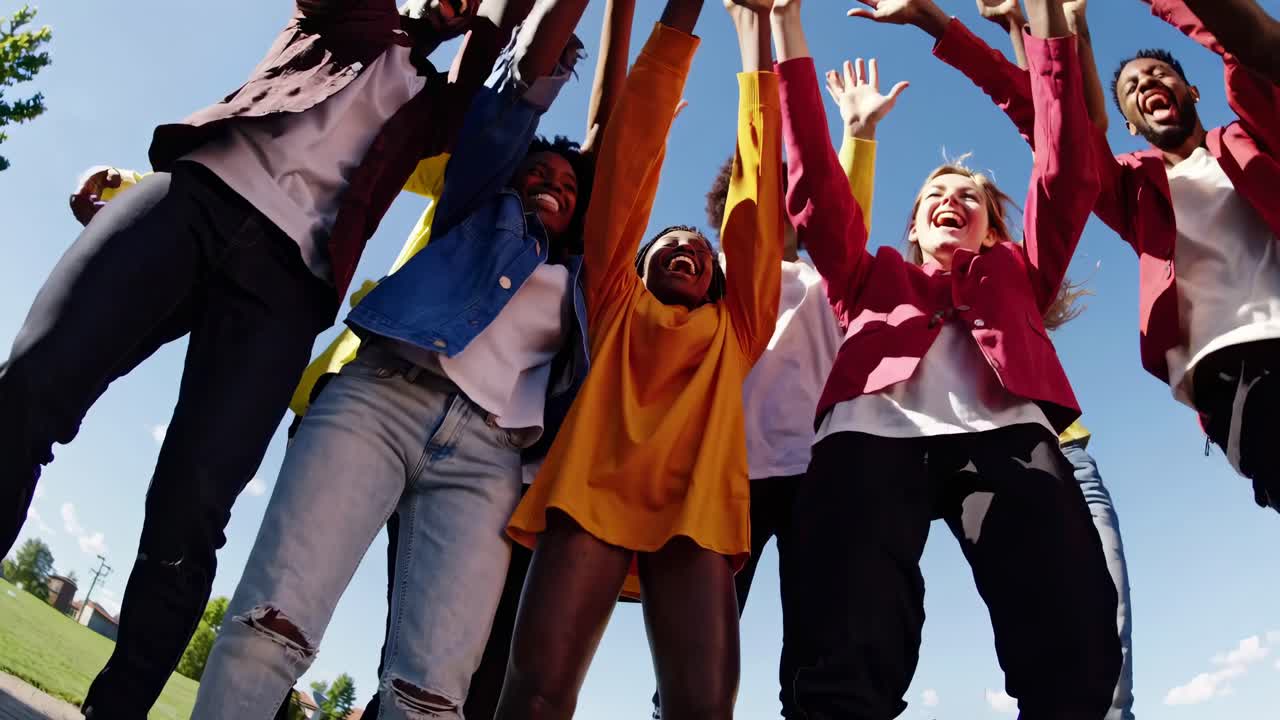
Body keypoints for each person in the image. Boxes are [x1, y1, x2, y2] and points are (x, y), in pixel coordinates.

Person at [0, 1, 536, 715]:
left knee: (190, 512)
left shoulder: (436, 106)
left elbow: (496, 53)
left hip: (285, 288)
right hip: (193, 202)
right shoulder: (344, 19)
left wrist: (485, 18)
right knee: (25, 394)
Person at [188, 1, 592, 716]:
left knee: (429, 694)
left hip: (490, 462)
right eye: (539, 171)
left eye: (569, 185)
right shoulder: (475, 203)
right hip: (381, 399)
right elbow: (523, 83)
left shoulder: (586, 283)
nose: (552, 185)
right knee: (270, 627)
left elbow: (619, 146)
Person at [774, 0, 1121, 717]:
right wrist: (785, 22)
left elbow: (1069, 172)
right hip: (866, 443)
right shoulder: (870, 277)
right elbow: (813, 193)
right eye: (936, 193)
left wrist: (1050, 22)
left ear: (996, 226)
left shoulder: (1019, 273)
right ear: (912, 224)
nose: (952, 199)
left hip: (1010, 442)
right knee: (843, 651)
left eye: (969, 197)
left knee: (1073, 641)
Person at [495, 1, 784, 717]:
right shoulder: (616, 296)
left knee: (702, 708)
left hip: (697, 511)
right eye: (669, 242)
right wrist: (683, 14)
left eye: (701, 246)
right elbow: (628, 164)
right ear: (637, 259)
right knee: (533, 696)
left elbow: (759, 191)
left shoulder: (737, 326)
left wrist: (757, 45)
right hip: (590, 494)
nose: (688, 245)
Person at [916, 0, 1280, 512]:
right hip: (1232, 369)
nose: (1145, 83)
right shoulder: (1133, 190)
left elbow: (1248, 46)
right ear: (1128, 124)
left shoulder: (1254, 139)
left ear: (1192, 89)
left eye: (1159, 73)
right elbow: (1048, 116)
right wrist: (986, 28)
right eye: (1131, 86)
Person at [645, 50, 900, 720]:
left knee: (821, 648)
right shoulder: (717, 277)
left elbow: (850, 212)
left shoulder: (825, 279)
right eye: (763, 190)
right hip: (724, 479)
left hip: (814, 475)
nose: (779, 204)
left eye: (793, 193)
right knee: (695, 661)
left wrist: (859, 135)